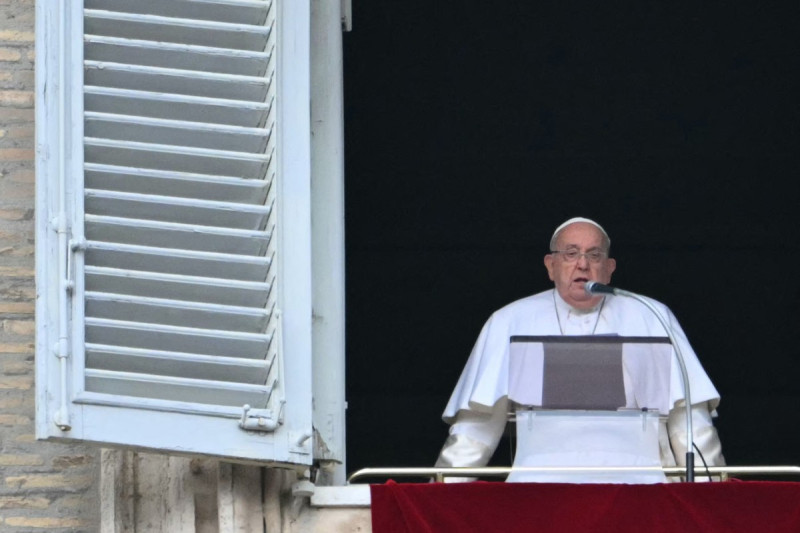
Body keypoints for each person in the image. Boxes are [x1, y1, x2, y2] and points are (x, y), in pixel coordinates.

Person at [435, 217, 725, 482]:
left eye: (594, 255)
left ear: (609, 269)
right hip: (539, 485)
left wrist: (709, 494)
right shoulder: (510, 320)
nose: (582, 264)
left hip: (639, 482)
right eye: (570, 254)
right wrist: (440, 495)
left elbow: (689, 422)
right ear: (550, 265)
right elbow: (477, 428)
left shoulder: (651, 315)